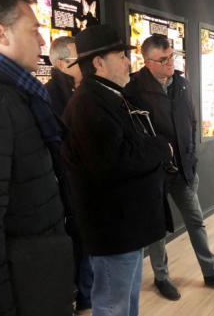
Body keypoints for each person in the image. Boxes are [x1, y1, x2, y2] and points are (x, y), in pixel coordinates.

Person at [0, 0, 73, 316]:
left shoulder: (7, 89)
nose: (41, 42)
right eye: (34, 30)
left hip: (35, 274)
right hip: (22, 286)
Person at [61, 25, 173, 316]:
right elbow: (116, 162)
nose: (128, 62)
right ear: (98, 63)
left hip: (128, 227)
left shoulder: (109, 96)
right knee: (114, 306)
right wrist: (162, 148)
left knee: (126, 303)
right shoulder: (88, 104)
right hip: (113, 229)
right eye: (121, 55)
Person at [125, 34, 214, 301]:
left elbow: (190, 121)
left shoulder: (182, 83)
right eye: (163, 59)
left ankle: (211, 270)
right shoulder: (133, 88)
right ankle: (161, 276)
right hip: (153, 173)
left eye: (172, 57)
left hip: (183, 170)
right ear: (148, 61)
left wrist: (191, 157)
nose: (170, 63)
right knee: (157, 228)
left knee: (196, 221)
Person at [46, 36, 92, 315]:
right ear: (63, 63)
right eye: (79, 57)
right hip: (69, 183)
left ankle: (87, 294)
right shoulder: (50, 94)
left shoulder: (84, 89)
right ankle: (81, 296)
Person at [46, 36, 83, 116]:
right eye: (79, 58)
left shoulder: (86, 87)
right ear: (61, 64)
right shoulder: (49, 96)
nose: (86, 62)